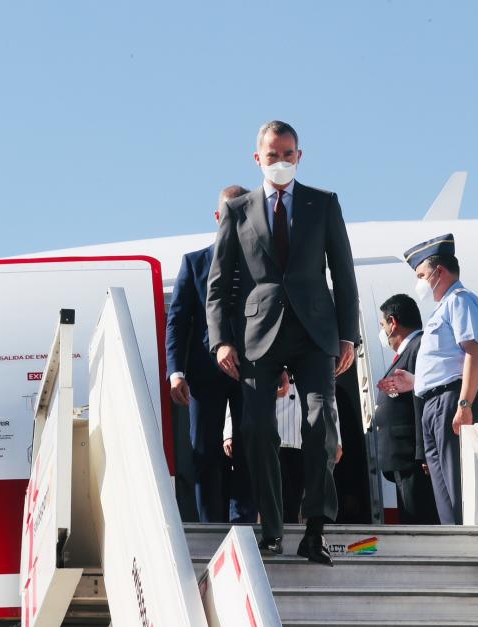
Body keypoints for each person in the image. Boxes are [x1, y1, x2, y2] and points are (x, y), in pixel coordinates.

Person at [206, 120, 359, 566]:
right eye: (272, 156)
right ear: (258, 159)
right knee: (257, 431)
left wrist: (347, 334)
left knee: (320, 422)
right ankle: (272, 529)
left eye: (288, 154)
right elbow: (218, 285)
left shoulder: (324, 204)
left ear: (299, 156)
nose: (280, 162)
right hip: (259, 335)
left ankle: (314, 529)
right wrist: (221, 342)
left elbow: (344, 276)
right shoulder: (238, 210)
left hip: (314, 332)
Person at [165, 185, 256, 524]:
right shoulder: (195, 263)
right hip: (205, 374)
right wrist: (176, 372)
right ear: (218, 217)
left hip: (252, 372)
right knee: (205, 452)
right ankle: (212, 527)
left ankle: (243, 525)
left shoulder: (262, 265)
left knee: (250, 451)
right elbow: (177, 323)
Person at [386, 233, 478, 525]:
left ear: (438, 272)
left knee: (455, 484)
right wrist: (416, 382)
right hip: (433, 404)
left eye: (421, 274)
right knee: (442, 489)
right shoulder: (442, 308)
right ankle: (454, 537)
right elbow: (447, 363)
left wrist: (465, 402)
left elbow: (475, 352)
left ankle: (465, 541)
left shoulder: (460, 300)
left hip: (450, 401)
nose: (419, 282)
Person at [223, 371, 344, 524]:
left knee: (291, 504)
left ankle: (287, 546)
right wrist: (230, 431)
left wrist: (336, 439)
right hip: (265, 436)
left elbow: (328, 395)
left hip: (299, 437)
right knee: (258, 500)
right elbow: (238, 392)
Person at [375, 294, 439, 524]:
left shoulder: (418, 347)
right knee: (410, 519)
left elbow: (420, 399)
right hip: (403, 458)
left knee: (419, 522)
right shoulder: (407, 350)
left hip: (412, 455)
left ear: (393, 323)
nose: (382, 331)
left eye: (382, 325)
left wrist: (423, 451)